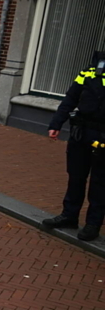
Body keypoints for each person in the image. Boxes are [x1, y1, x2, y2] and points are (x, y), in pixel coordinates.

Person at [42, 53, 105, 241]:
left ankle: (93, 224)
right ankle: (69, 216)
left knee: (100, 183)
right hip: (81, 133)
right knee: (76, 176)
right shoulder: (91, 69)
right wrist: (56, 124)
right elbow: (71, 97)